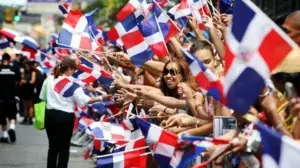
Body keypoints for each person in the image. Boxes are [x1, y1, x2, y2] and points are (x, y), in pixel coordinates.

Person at [39, 57, 107, 168]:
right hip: (65, 117)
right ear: (69, 69)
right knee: (64, 148)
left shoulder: (48, 79)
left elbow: (42, 96)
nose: (75, 72)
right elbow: (84, 101)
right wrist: (101, 97)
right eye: (74, 70)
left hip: (50, 115)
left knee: (52, 147)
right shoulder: (74, 85)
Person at [0, 53, 19, 143]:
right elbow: (18, 81)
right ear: (9, 59)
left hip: (1, 98)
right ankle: (12, 127)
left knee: (2, 116)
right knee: (12, 114)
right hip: (11, 96)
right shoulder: (14, 69)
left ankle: (4, 135)